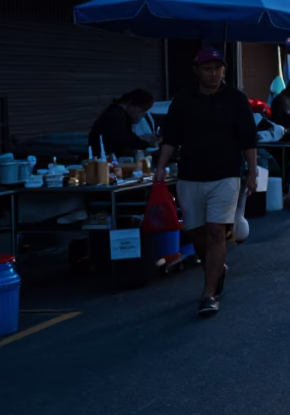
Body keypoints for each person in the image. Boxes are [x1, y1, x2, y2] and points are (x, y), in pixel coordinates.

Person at [157, 48, 259, 318]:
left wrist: (252, 172)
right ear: (196, 70)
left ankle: (209, 293)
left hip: (225, 175)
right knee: (195, 232)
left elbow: (248, 138)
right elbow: (170, 137)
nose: (213, 74)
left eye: (218, 68)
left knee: (216, 231)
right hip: (190, 176)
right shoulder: (183, 99)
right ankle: (216, 267)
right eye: (207, 68)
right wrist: (160, 168)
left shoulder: (235, 99)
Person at [88, 89, 157, 159]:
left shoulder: (119, 114)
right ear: (131, 104)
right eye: (141, 110)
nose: (141, 114)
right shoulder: (116, 115)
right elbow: (126, 139)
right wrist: (147, 145)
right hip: (104, 158)